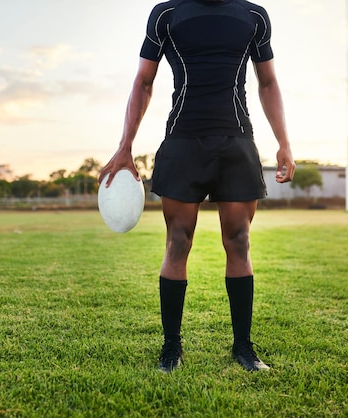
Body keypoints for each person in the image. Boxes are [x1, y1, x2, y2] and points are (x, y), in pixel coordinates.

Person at [98, 0, 295, 372]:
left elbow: (267, 82)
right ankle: (171, 348)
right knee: (178, 241)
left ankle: (243, 349)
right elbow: (143, 81)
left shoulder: (253, 15)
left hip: (236, 139)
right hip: (182, 141)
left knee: (239, 239)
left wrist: (283, 142)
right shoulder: (166, 14)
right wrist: (124, 147)